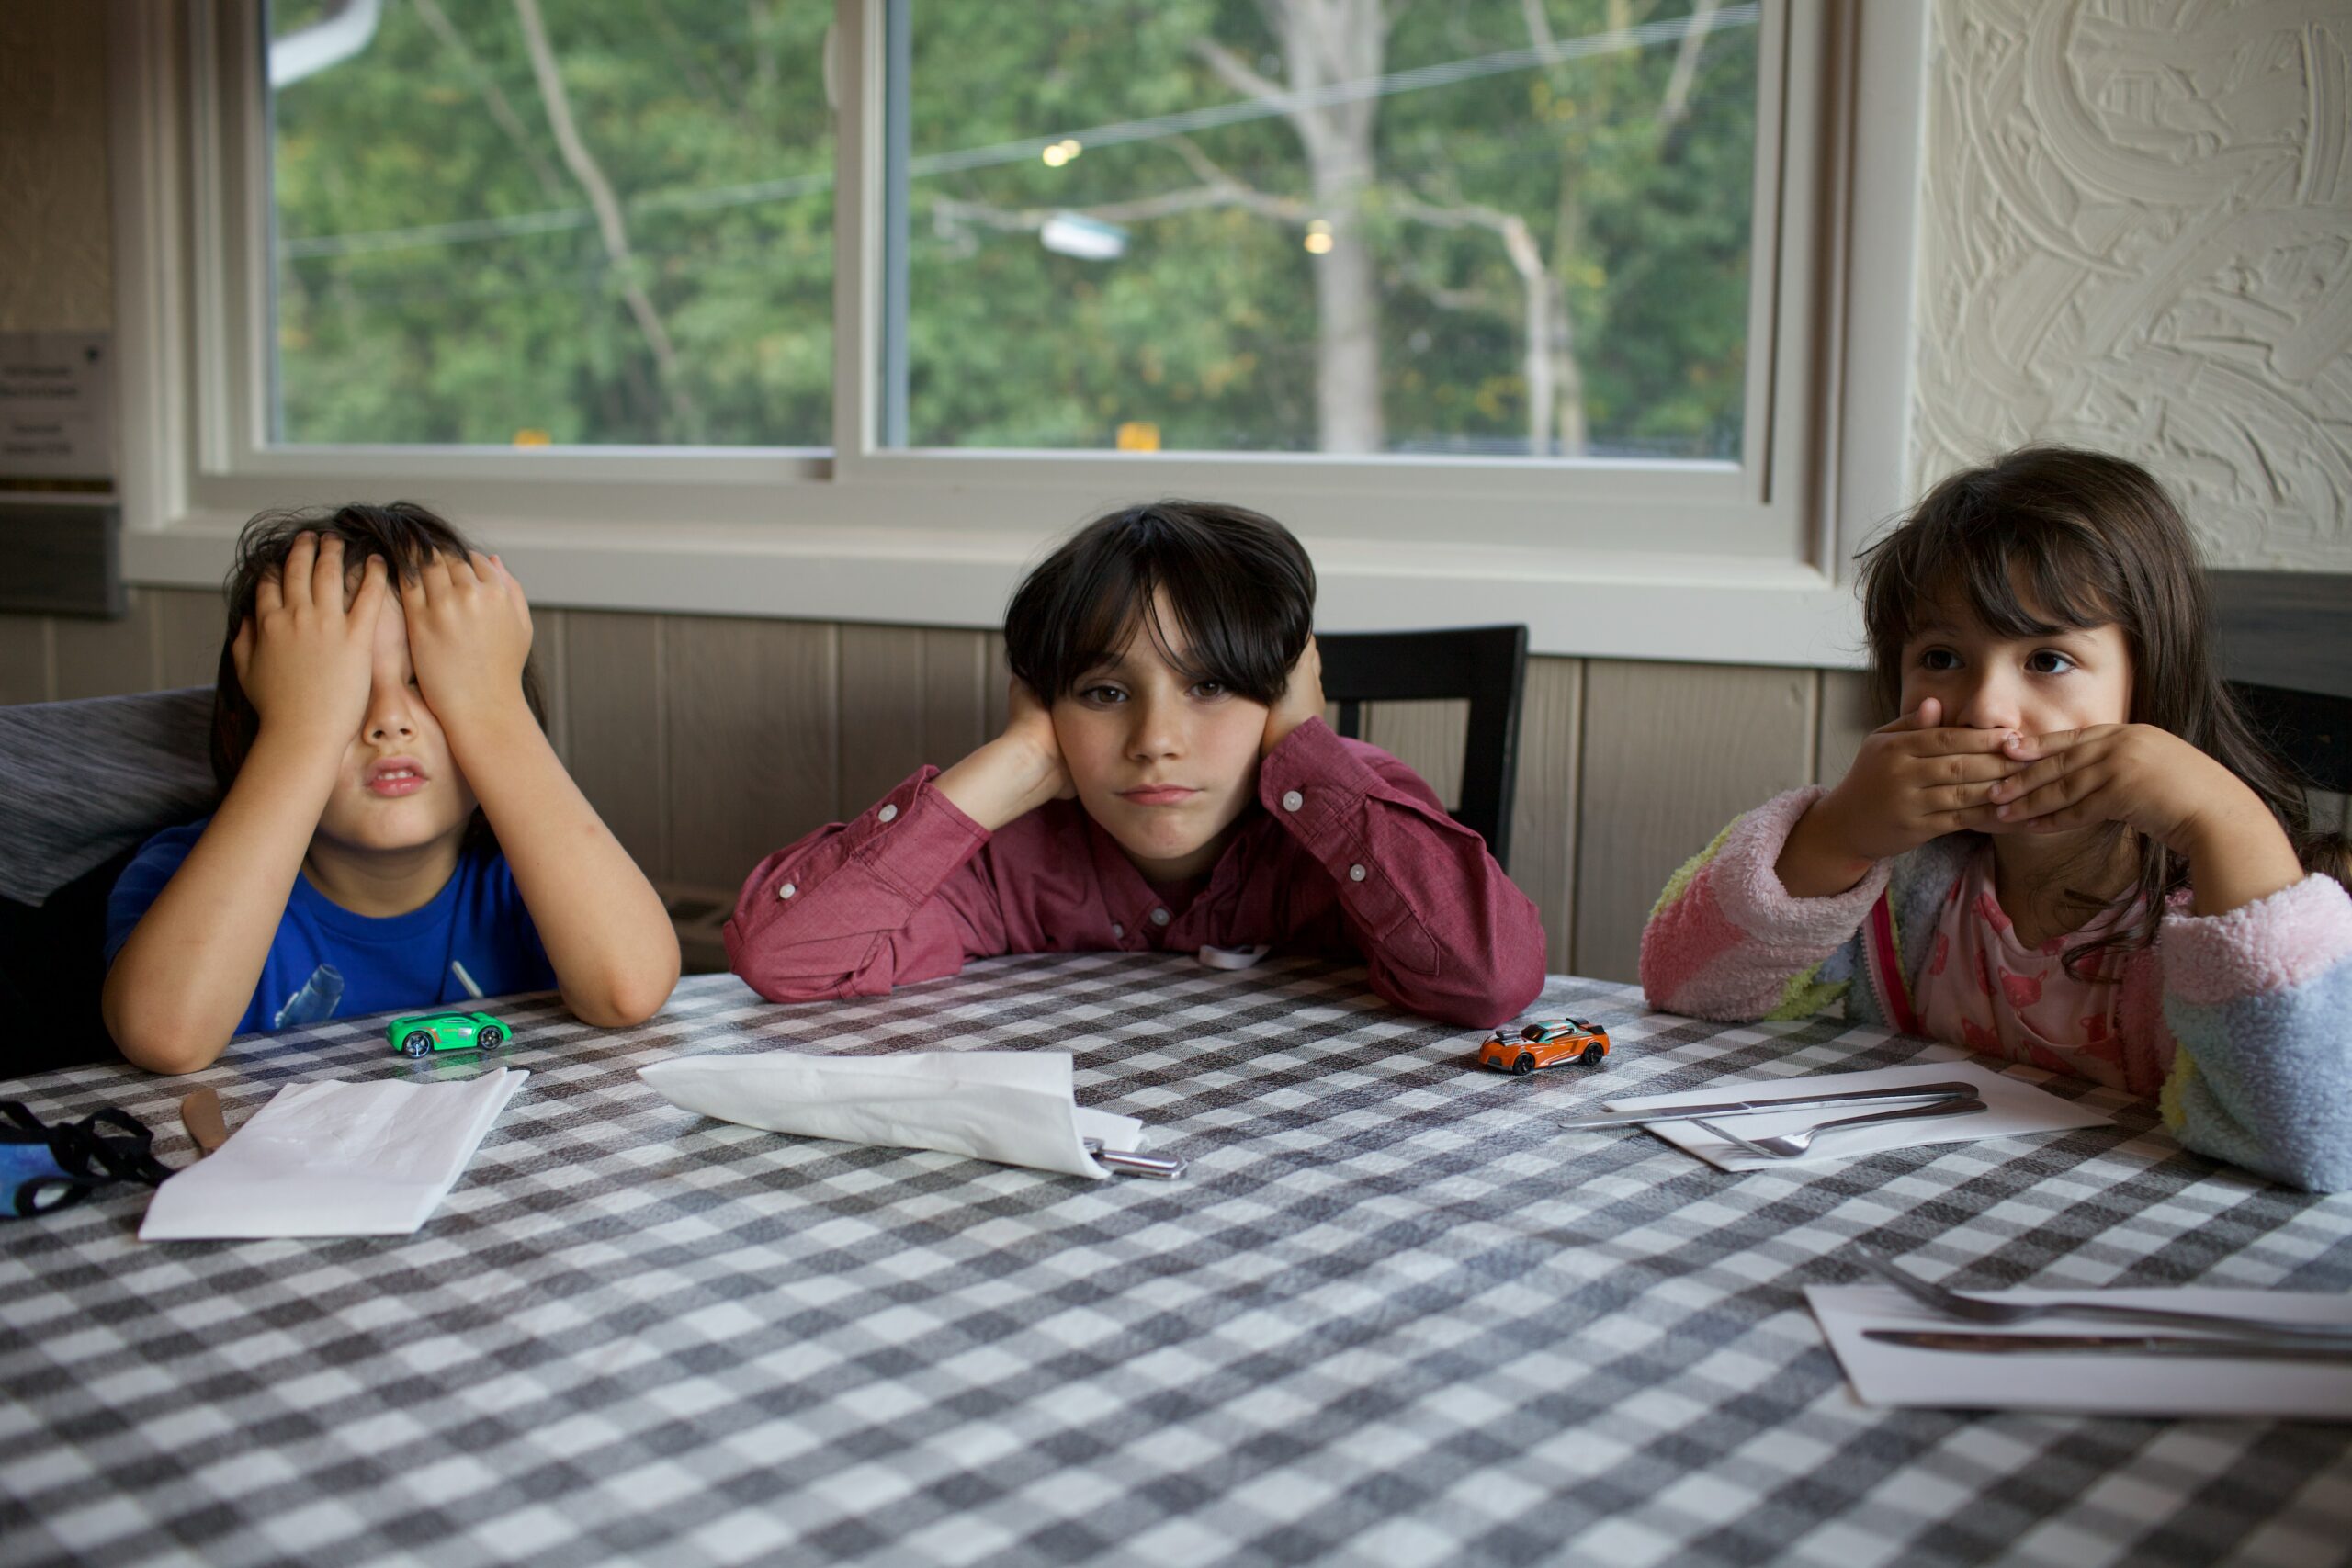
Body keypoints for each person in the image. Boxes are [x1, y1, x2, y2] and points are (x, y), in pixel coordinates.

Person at [1641, 447, 2352, 1190]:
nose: (1985, 710)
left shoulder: (2221, 902)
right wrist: (1836, 833)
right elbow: (1685, 989)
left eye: (2047, 660)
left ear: (2149, 682)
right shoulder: (1897, 881)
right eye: (1943, 656)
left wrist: (2223, 818)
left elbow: (2320, 1134)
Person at [726, 501, 1546, 1028]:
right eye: (1105, 692)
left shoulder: (1345, 811)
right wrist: (1010, 764)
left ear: (1286, 692)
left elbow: (1492, 978)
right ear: (1044, 707)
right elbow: (784, 957)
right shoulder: (1003, 861)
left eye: (1213, 685)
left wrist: (1307, 749)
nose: (1156, 738)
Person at [104, 504, 679, 1074]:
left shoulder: (535, 880)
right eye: (343, 693)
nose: (389, 721)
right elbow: (166, 1037)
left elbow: (628, 991)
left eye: (428, 683)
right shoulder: (177, 875)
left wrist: (491, 709)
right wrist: (302, 730)